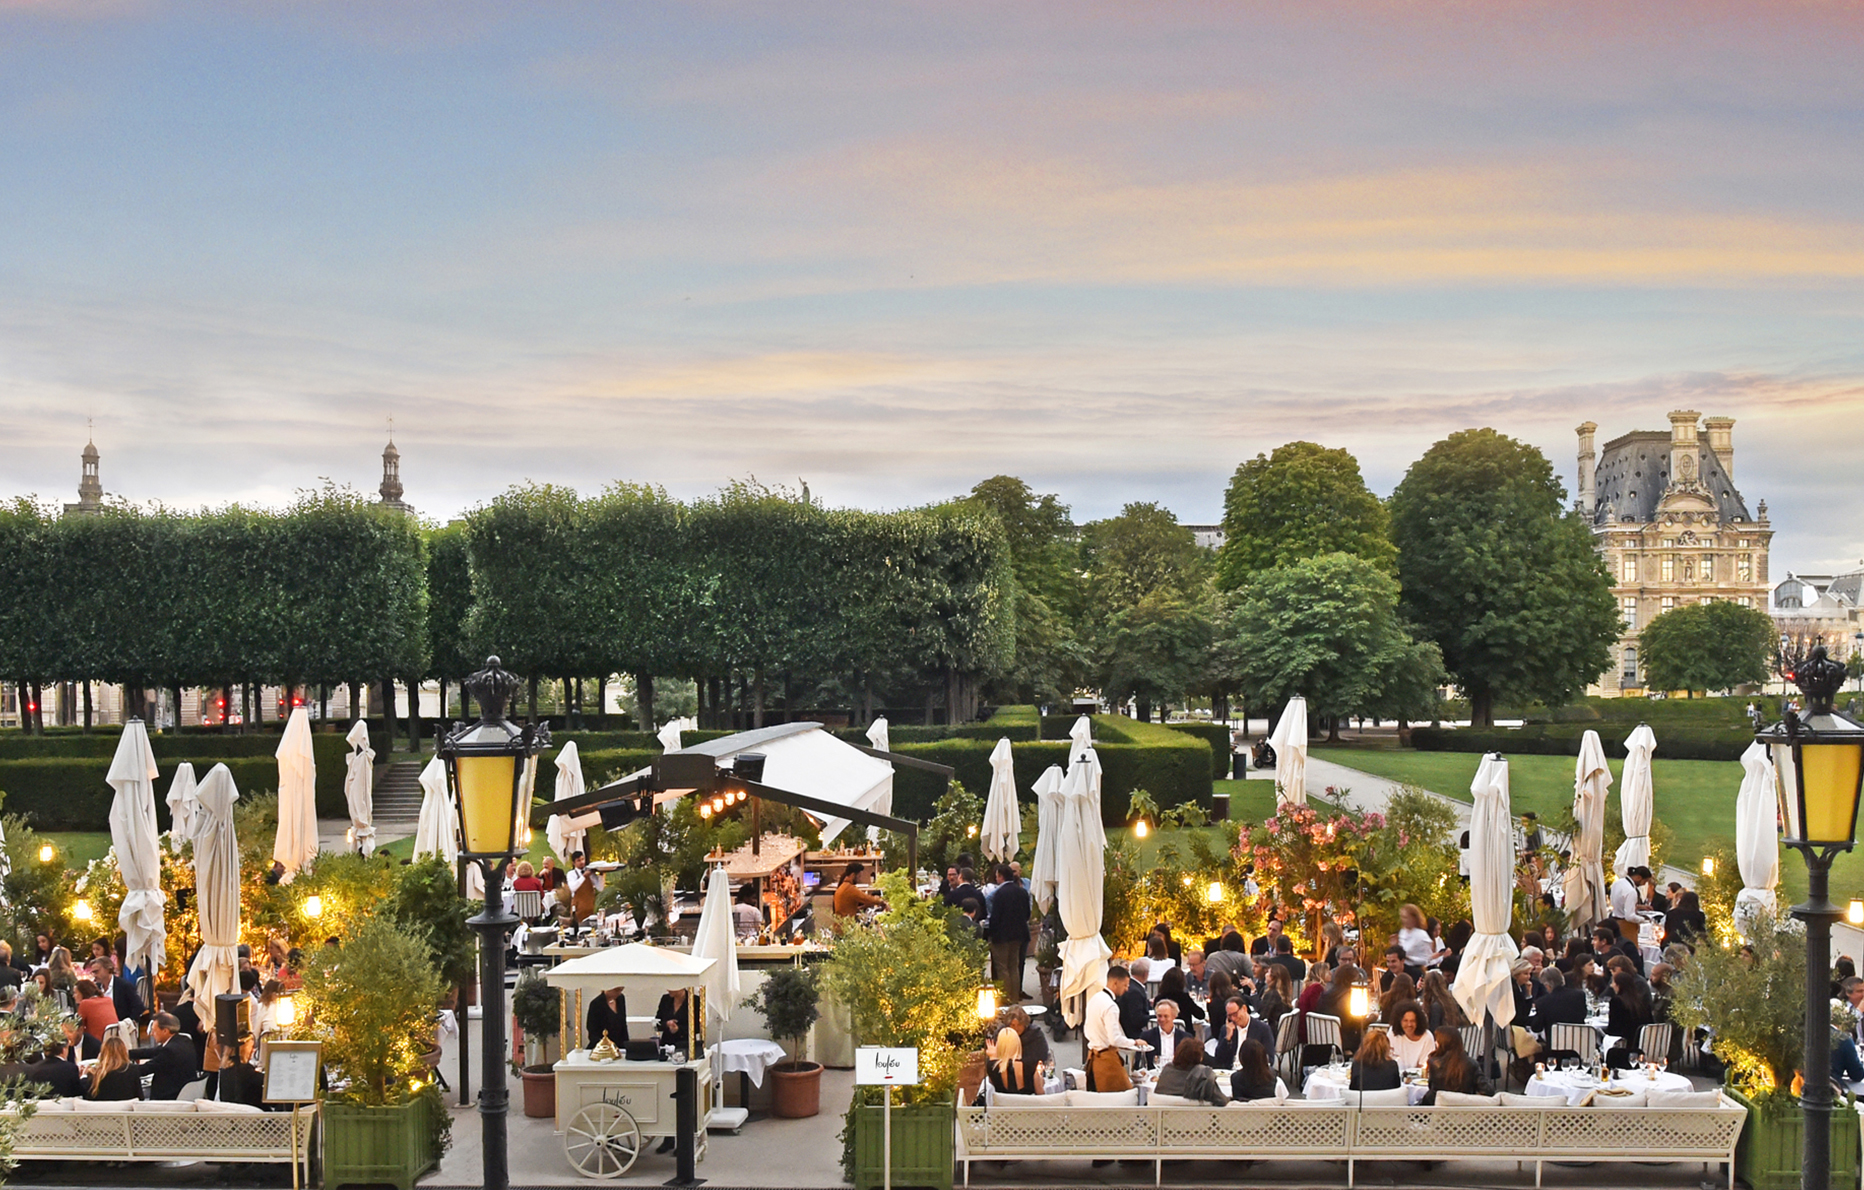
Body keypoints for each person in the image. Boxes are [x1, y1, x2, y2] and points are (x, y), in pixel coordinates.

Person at [1083, 966, 1143, 1092]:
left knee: (1095, 1097)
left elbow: (1086, 1029)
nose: (1127, 989)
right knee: (1125, 1097)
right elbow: (1114, 1039)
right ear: (1115, 983)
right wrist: (1135, 1042)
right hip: (1107, 1061)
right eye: (1125, 985)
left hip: (1093, 1058)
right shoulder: (1111, 1006)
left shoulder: (1094, 998)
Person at [985, 862, 1032, 1003]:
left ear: (1001, 876)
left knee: (1002, 967)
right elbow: (1027, 914)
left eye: (997, 876)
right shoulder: (1022, 892)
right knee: (1014, 966)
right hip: (1019, 934)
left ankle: (1006, 998)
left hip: (1002, 935)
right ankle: (1015, 997)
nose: (996, 879)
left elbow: (995, 916)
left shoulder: (999, 893)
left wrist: (991, 933)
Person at [130, 1012, 200, 1100]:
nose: (151, 1034)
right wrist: (125, 1053)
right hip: (185, 1091)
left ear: (165, 1031)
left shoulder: (169, 1051)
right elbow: (151, 1052)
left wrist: (120, 1068)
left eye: (154, 1030)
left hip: (169, 1096)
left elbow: (144, 1069)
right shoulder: (184, 1040)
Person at [1156, 1036, 1228, 1106]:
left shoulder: (1167, 1071)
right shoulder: (1203, 1076)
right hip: (1199, 1114)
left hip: (1165, 1113)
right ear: (1200, 1058)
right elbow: (1222, 1101)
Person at [1208, 995, 1273, 1070]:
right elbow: (1219, 1059)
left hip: (1252, 1070)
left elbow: (1270, 1058)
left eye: (1235, 1014)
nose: (1233, 1018)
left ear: (1244, 1009)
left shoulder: (1262, 1029)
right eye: (1229, 1016)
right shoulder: (1226, 1029)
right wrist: (1227, 1038)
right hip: (1230, 1070)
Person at [1604, 970, 1653, 1069]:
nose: (1611, 986)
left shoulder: (1617, 1001)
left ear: (1618, 985)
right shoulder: (1641, 1001)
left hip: (1623, 1048)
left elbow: (1613, 1029)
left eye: (1613, 983)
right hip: (1642, 1044)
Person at [1422, 1027, 1481, 1104]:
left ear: (1441, 1043)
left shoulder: (1434, 1063)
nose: (1435, 1042)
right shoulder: (1471, 1064)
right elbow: (1487, 1090)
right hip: (1464, 1107)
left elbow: (1431, 1088)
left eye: (1437, 1040)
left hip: (1438, 1106)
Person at [1317, 965, 1366, 1056]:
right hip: (1344, 1042)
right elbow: (1355, 1024)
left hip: (1322, 1040)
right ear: (1350, 981)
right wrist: (1371, 1018)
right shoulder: (1348, 997)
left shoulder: (1326, 995)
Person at [1138, 997, 1191, 1072]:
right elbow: (1139, 1064)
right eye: (1159, 1016)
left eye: (1166, 1016)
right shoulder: (1147, 1036)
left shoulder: (1185, 1038)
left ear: (1174, 1016)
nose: (1162, 1019)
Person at [82, 1035, 141, 1101]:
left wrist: (84, 1076)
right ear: (124, 1053)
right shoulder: (132, 1071)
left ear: (102, 1054)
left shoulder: (93, 1075)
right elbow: (140, 1099)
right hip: (126, 1107)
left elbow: (86, 1098)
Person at [89, 957, 145, 1024]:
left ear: (108, 969)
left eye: (96, 972)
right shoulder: (95, 988)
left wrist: (127, 1023)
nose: (94, 975)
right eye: (93, 972)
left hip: (121, 1025)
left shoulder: (123, 986)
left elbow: (138, 1007)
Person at [987, 1026, 1040, 1095]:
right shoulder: (1031, 1065)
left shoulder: (992, 1067)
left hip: (1004, 1101)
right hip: (1026, 1101)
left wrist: (993, 1057)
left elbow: (992, 1083)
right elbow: (1040, 1092)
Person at [1348, 1027, 1402, 1092]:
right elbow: (1397, 1089)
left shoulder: (1357, 1064)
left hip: (1364, 1098)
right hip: (1387, 1098)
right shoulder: (1392, 1066)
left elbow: (1353, 1090)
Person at [1389, 1001, 1436, 1069]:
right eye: (1405, 1021)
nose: (1409, 1024)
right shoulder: (1392, 1033)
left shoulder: (1427, 1037)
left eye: (1413, 1021)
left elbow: (1425, 1066)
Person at [1397, 904, 1441, 971]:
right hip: (1402, 968)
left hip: (1415, 970)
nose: (1403, 920)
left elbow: (1426, 958)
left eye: (1406, 917)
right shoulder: (1403, 932)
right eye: (1402, 917)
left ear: (1413, 918)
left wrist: (1408, 957)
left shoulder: (1421, 935)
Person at [567, 851, 605, 920]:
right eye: (578, 860)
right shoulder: (571, 874)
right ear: (573, 863)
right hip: (578, 909)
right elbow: (573, 888)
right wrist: (583, 876)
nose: (581, 862)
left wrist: (601, 875)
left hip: (591, 907)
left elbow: (600, 888)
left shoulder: (590, 873)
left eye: (582, 859)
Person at [655, 987, 691, 1058]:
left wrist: (678, 1029)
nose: (668, 990)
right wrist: (667, 1024)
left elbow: (697, 1027)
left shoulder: (693, 1000)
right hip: (666, 1045)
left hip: (685, 1046)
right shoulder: (665, 999)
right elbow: (658, 1023)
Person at [1257, 963, 1294, 1029]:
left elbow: (1263, 1017)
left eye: (1268, 972)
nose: (1266, 974)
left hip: (1271, 1031)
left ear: (1273, 978)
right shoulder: (1283, 995)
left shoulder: (1272, 995)